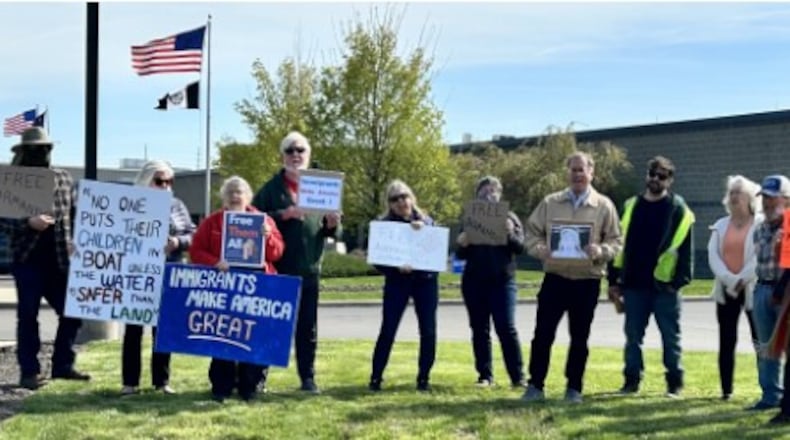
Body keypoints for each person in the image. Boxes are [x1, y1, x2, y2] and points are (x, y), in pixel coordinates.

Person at [522, 151, 622, 403]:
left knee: (579, 338)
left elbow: (617, 241)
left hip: (587, 281)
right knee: (542, 335)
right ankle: (535, 385)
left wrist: (601, 251)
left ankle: (574, 388)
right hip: (555, 278)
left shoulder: (604, 205)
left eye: (582, 170)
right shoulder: (550, 202)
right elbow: (531, 233)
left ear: (591, 173)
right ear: (567, 173)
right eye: (573, 170)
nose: (578, 174)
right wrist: (539, 249)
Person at [252, 131, 342, 394]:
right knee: (271, 326)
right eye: (290, 150)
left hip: (309, 270)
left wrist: (331, 225)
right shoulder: (271, 189)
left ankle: (308, 379)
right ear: (282, 156)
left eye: (300, 150)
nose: (295, 155)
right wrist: (284, 214)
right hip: (277, 270)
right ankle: (259, 379)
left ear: (308, 155)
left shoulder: (321, 188)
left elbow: (330, 230)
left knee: (307, 329)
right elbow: (254, 220)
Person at [0, 127, 89, 390]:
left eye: (46, 148)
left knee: (71, 313)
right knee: (28, 316)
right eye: (36, 149)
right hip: (27, 260)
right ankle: (29, 372)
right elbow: (3, 220)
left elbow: (74, 213)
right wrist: (29, 222)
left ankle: (63, 366)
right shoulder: (14, 180)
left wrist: (79, 240)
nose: (42, 153)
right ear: (25, 151)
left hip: (60, 259)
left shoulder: (63, 177)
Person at [189, 176, 284, 402]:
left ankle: (250, 385)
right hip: (225, 288)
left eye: (239, 191)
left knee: (255, 336)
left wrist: (268, 238)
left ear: (247, 196)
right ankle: (222, 385)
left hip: (258, 286)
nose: (234, 196)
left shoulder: (264, 221)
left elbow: (278, 252)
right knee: (225, 335)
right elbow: (195, 251)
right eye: (230, 191)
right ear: (223, 196)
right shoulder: (212, 222)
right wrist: (214, 262)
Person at [608, 155, 695, 398]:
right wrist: (613, 281)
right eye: (652, 174)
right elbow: (616, 247)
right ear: (646, 175)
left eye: (662, 176)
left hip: (665, 287)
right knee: (633, 337)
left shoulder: (679, 209)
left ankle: (674, 384)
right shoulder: (629, 206)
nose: (655, 179)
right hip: (634, 284)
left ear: (670, 180)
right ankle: (631, 381)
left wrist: (678, 283)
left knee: (670, 337)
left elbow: (685, 250)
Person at [120, 160, 196, 396]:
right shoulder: (129, 204)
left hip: (168, 272)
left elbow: (192, 233)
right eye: (159, 181)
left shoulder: (177, 205)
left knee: (162, 330)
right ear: (146, 180)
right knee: (133, 330)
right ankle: (129, 383)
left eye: (169, 181)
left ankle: (161, 381)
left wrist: (177, 242)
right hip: (137, 274)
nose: (165, 186)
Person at [455, 176, 526, 388]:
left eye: (493, 190)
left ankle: (518, 377)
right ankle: (485, 376)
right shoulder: (470, 219)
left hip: (503, 281)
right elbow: (460, 255)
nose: (488, 194)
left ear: (500, 194)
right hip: (474, 282)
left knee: (506, 327)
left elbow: (520, 248)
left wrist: (510, 233)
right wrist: (462, 243)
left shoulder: (510, 218)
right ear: (477, 195)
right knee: (479, 329)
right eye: (484, 191)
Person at [369, 180, 439, 392]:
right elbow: (378, 260)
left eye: (404, 196)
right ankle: (375, 378)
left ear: (412, 198)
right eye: (395, 199)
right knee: (388, 330)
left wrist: (423, 229)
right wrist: (395, 268)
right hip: (397, 282)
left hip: (425, 282)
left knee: (428, 331)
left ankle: (423, 379)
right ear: (389, 204)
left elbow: (436, 250)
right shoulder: (384, 226)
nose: (401, 202)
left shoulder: (427, 222)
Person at [706, 175, 762, 401]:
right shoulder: (720, 225)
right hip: (726, 291)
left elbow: (760, 257)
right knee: (726, 340)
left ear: (750, 196)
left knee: (761, 340)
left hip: (752, 289)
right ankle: (726, 390)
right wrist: (730, 279)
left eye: (738, 191)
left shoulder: (760, 224)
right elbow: (713, 256)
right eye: (731, 192)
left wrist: (743, 278)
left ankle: (767, 389)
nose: (734, 196)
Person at [745, 175, 790, 411]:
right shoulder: (760, 229)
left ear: (786, 199)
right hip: (762, 288)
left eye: (773, 198)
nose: (768, 203)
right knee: (766, 346)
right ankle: (770, 395)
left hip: (785, 293)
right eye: (765, 198)